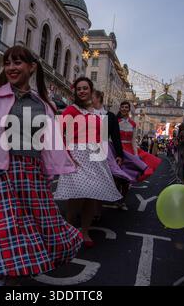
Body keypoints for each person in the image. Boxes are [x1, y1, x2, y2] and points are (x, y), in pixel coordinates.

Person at [0, 45, 83, 286]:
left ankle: (16, 275)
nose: (11, 68)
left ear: (31, 67)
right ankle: (3, 278)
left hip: (32, 174)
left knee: (34, 229)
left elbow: (48, 142)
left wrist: (53, 170)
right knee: (2, 230)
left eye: (17, 63)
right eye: (7, 63)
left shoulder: (44, 104)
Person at [54, 77, 122, 247]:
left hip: (95, 157)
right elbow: (57, 133)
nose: (82, 91)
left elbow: (103, 137)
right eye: (79, 89)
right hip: (76, 155)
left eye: (85, 88)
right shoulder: (71, 110)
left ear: (91, 91)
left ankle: (84, 232)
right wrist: (66, 156)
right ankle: (69, 231)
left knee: (92, 196)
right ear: (75, 92)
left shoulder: (98, 113)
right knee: (76, 197)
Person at [117, 101, 162, 182]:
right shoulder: (116, 121)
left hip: (129, 149)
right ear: (120, 108)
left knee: (129, 170)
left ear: (129, 109)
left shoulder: (133, 124)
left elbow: (133, 140)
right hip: (118, 147)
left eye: (126, 107)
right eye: (122, 107)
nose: (124, 109)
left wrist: (136, 154)